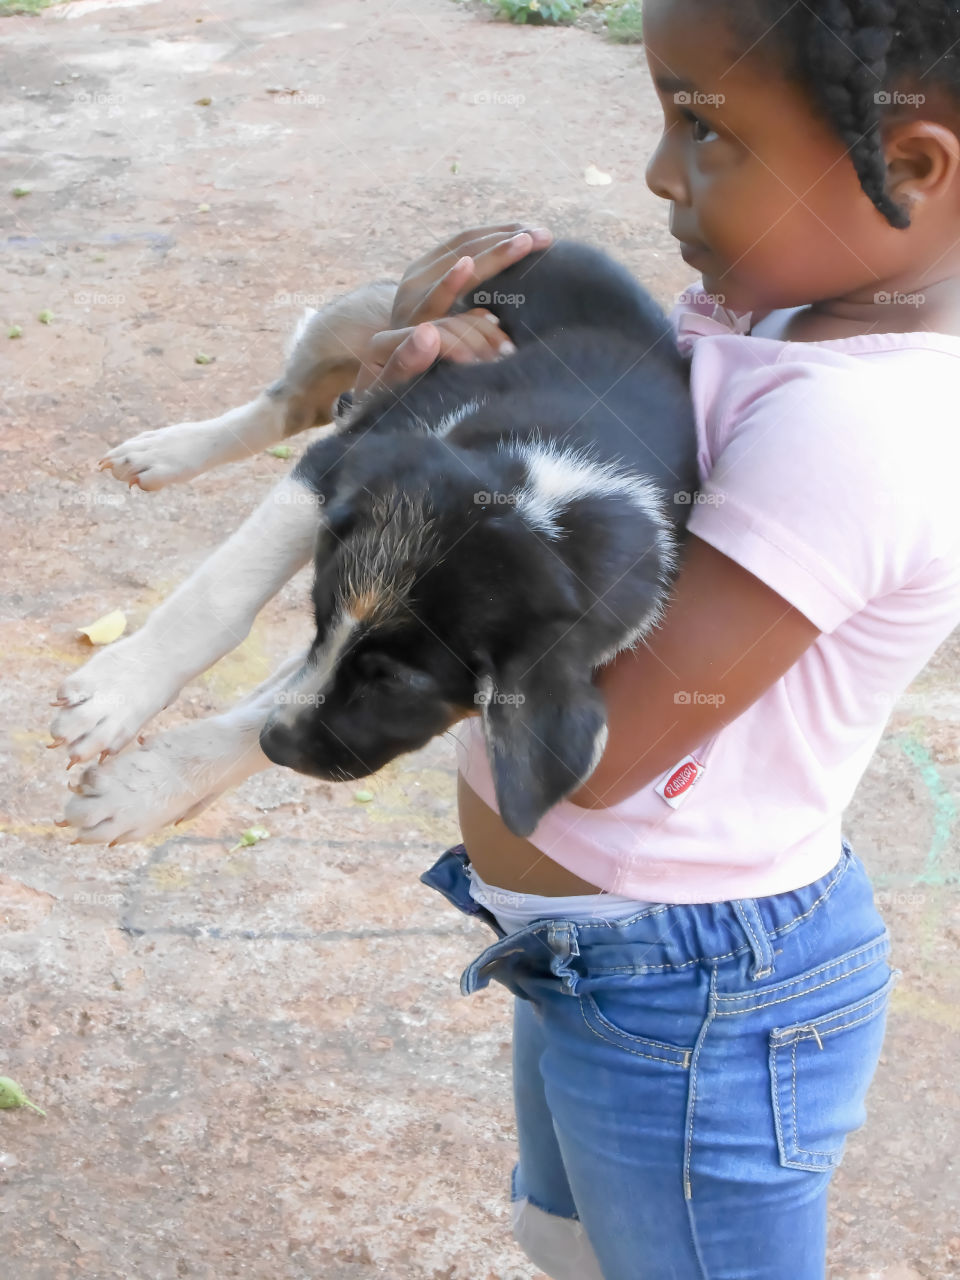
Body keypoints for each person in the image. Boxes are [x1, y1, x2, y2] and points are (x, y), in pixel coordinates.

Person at [353, 3, 960, 1276]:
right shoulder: (783, 320)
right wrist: (453, 382)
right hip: (607, 953)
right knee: (572, 1243)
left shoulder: (862, 431)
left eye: (706, 129)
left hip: (696, 992)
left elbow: (591, 744)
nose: (657, 174)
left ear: (909, 167)